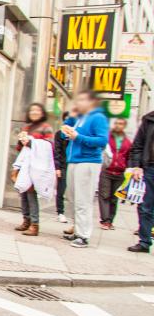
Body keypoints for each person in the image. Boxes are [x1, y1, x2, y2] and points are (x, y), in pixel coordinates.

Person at [61, 90, 109, 248]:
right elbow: (66, 134)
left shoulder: (98, 117)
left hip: (88, 161)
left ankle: (84, 235)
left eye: (82, 100)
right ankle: (77, 230)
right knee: (73, 198)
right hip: (74, 160)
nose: (78, 103)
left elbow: (102, 140)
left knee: (83, 200)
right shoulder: (80, 118)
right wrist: (68, 126)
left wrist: (78, 137)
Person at [13, 103, 54, 236]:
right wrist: (21, 141)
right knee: (23, 193)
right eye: (32, 110)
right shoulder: (27, 127)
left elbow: (50, 147)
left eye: (37, 110)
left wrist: (31, 143)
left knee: (31, 194)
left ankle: (34, 225)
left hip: (37, 166)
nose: (34, 112)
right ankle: (26, 220)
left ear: (42, 113)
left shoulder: (46, 128)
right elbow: (20, 149)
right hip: (25, 164)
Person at [127, 110, 154, 253]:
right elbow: (138, 145)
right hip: (150, 168)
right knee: (145, 207)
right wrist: (136, 166)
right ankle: (144, 242)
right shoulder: (149, 119)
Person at [98, 118, 132, 230]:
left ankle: (110, 221)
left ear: (124, 126)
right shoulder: (107, 137)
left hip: (119, 172)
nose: (118, 125)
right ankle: (105, 220)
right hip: (107, 170)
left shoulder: (127, 142)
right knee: (104, 195)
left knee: (114, 198)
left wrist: (127, 168)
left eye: (121, 123)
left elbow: (129, 157)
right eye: (116, 123)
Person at [54, 109, 77, 224]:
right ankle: (60, 212)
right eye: (67, 118)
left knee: (74, 192)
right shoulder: (59, 134)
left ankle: (74, 217)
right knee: (61, 189)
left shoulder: (78, 133)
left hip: (75, 164)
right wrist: (57, 167)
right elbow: (57, 151)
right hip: (63, 165)